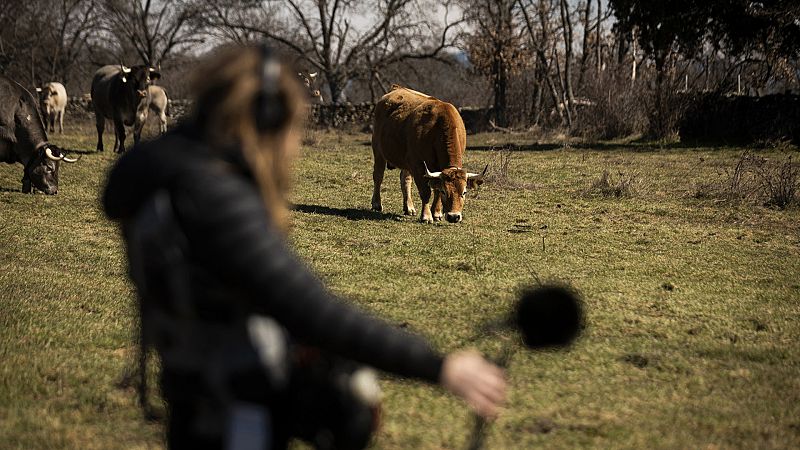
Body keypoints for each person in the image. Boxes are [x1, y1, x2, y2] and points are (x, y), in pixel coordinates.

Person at [103, 44, 506, 449]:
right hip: (239, 414)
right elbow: (313, 311)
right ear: (266, 118)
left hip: (189, 396)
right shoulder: (213, 200)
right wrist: (439, 365)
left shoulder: (155, 182)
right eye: (289, 128)